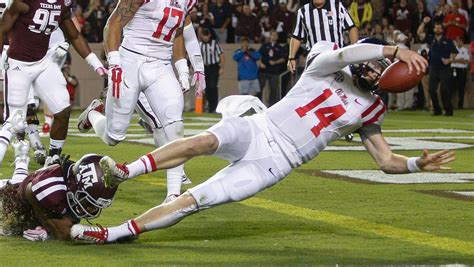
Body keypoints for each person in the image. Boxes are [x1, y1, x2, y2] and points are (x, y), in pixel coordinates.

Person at [71, 39, 454, 244]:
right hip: (260, 127)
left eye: (382, 69)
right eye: (375, 60)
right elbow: (347, 52)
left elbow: (385, 161)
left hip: (276, 164)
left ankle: (115, 233)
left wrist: (417, 164)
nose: (374, 69)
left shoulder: (372, 109)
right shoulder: (326, 61)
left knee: (196, 200)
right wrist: (393, 50)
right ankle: (124, 170)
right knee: (202, 141)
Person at [77, 0, 206, 203]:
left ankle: (172, 195)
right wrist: (115, 63)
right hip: (130, 61)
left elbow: (179, 31)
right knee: (114, 136)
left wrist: (186, 68)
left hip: (160, 65)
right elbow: (114, 23)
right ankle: (93, 113)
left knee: (174, 126)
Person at [0, 0, 107, 167]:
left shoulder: (62, 4)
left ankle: (54, 157)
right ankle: (21, 165)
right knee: (14, 122)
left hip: (42, 62)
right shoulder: (22, 2)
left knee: (63, 109)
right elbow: (1, 29)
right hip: (17, 65)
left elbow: (74, 35)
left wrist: (96, 63)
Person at [0, 143, 118, 241]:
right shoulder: (51, 190)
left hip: (26, 185)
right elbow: (65, 233)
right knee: (14, 188)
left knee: (19, 182)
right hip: (8, 200)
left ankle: (22, 157)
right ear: (76, 186)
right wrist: (48, 226)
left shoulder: (73, 178)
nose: (92, 209)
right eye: (89, 203)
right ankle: (22, 157)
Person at [288, 0, 358, 73]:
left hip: (337, 57)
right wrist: (291, 58)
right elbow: (296, 37)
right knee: (315, 84)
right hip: (315, 59)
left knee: (341, 82)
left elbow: (352, 28)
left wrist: (354, 49)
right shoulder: (303, 11)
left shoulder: (337, 6)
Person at [418, 19, 458, 116]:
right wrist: (423, 22)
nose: (438, 29)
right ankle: (437, 110)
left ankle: (448, 110)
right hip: (433, 68)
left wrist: (449, 60)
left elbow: (454, 52)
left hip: (445, 68)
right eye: (436, 27)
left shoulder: (448, 41)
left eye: (440, 28)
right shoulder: (430, 39)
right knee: (431, 89)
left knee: (444, 90)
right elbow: (419, 32)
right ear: (434, 29)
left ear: (442, 30)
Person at [259, 30, 287, 106]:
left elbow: (283, 59)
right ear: (270, 36)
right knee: (260, 89)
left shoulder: (280, 47)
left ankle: (271, 106)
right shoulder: (264, 46)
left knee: (273, 90)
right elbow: (259, 56)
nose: (274, 36)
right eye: (273, 35)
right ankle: (258, 106)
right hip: (263, 71)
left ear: (277, 37)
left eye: (276, 35)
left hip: (274, 72)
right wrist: (260, 63)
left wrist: (275, 62)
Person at [200, 29, 225, 113]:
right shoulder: (200, 45)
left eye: (207, 35)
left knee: (213, 87)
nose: (205, 37)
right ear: (201, 35)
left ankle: (214, 107)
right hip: (204, 68)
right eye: (204, 35)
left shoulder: (214, 43)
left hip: (213, 67)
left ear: (209, 35)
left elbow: (221, 55)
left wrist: (222, 67)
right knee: (206, 88)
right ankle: (210, 106)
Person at [451, 35, 470, 109]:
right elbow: (451, 59)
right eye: (456, 40)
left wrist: (456, 60)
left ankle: (460, 105)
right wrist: (460, 60)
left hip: (462, 71)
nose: (457, 42)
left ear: (462, 42)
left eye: (459, 40)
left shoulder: (465, 50)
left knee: (461, 88)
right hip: (453, 69)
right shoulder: (453, 49)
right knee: (452, 88)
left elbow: (466, 61)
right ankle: (451, 105)